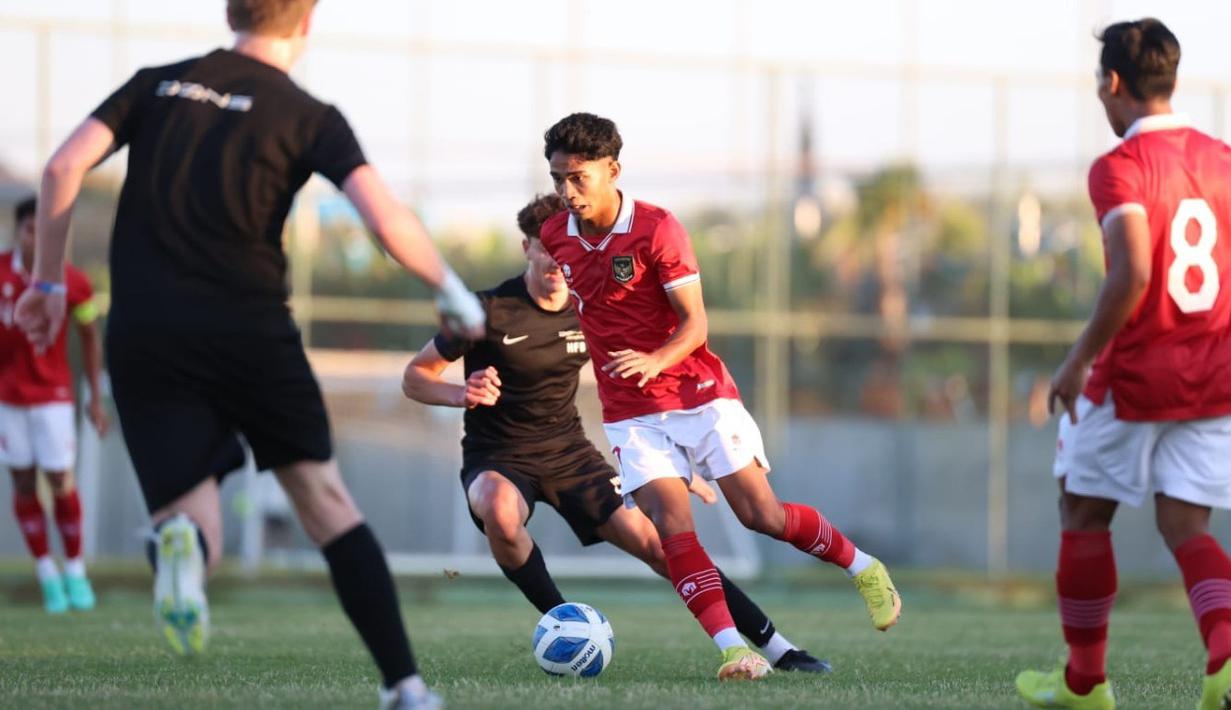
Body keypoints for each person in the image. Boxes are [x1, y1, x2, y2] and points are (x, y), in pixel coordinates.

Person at [15, 2, 483, 708]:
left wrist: (48, 282)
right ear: (307, 21)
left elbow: (61, 168)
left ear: (232, 11)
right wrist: (449, 288)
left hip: (144, 333)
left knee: (192, 516)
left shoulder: (157, 83)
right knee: (324, 502)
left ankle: (180, 550)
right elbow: (384, 218)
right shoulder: (307, 114)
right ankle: (405, 688)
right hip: (248, 328)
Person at [535, 113, 901, 681]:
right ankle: (736, 650)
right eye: (559, 178)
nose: (567, 191)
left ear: (613, 170)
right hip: (631, 414)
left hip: (698, 393)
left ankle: (864, 567)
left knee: (762, 515)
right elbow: (558, 291)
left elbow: (695, 324)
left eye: (578, 178)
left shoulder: (658, 229)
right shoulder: (557, 235)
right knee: (672, 529)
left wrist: (656, 359)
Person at [402, 193, 830, 674]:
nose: (554, 261)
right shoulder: (486, 312)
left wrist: (671, 460)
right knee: (501, 513)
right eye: (544, 249)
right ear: (528, 247)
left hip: (571, 454)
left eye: (561, 249)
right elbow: (416, 377)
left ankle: (780, 649)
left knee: (662, 544)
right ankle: (566, 626)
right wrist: (462, 393)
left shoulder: (594, 307)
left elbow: (651, 377)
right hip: (498, 455)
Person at [1014, 19, 1231, 710]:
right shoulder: (1222, 158)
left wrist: (1077, 361)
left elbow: (1132, 271)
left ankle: (1083, 684)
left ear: (1113, 83)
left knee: (1080, 512)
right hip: (1213, 375)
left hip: (1135, 374)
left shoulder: (1121, 167)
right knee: (1185, 526)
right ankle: (1225, 661)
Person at [1, 196, 107, 614]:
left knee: (62, 480)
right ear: (20, 231)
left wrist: (95, 398)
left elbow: (90, 336)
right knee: (24, 484)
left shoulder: (74, 282)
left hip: (53, 396)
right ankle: (47, 573)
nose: (39, 238)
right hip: (8, 399)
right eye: (32, 229)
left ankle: (76, 569)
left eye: (46, 230)